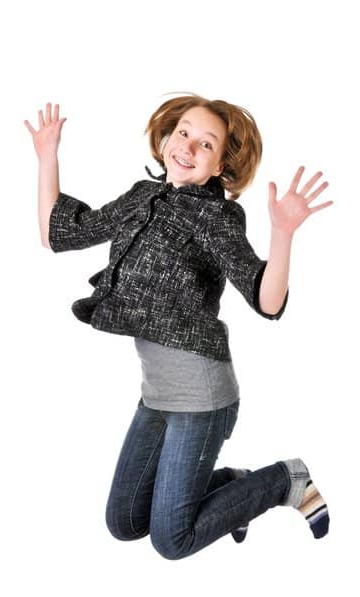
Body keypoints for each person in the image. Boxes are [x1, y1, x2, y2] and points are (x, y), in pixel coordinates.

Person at [24, 96, 332, 557]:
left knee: (172, 539)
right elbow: (59, 233)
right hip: (157, 393)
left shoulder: (215, 217)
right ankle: (236, 488)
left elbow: (267, 301)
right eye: (184, 132)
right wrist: (48, 155)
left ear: (220, 167)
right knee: (126, 521)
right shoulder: (141, 198)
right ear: (166, 137)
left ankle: (285, 479)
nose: (188, 146)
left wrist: (283, 234)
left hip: (202, 396)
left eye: (206, 144)